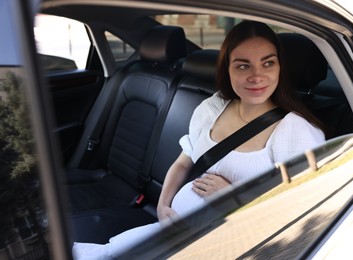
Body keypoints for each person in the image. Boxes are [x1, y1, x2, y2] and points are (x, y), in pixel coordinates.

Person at [72, 20, 326, 259]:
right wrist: (162, 207)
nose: (257, 76)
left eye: (268, 63)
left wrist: (233, 197)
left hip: (227, 246)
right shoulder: (213, 107)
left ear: (281, 67)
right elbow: (184, 162)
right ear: (227, 68)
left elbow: (298, 218)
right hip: (173, 232)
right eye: (243, 65)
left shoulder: (295, 132)